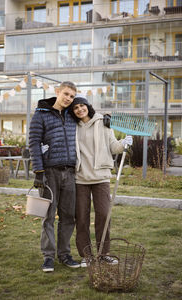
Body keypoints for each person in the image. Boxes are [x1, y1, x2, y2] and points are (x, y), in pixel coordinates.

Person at [69, 96, 133, 267]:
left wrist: (123, 143)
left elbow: (113, 146)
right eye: (75, 108)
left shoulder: (104, 122)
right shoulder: (72, 126)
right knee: (81, 218)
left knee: (104, 215)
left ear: (87, 106)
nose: (79, 110)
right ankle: (86, 256)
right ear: (73, 111)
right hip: (80, 178)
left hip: (101, 177)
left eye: (82, 106)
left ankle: (104, 254)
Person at [29, 81, 81, 272]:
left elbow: (89, 116)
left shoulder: (72, 115)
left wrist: (103, 118)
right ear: (57, 92)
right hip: (49, 172)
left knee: (68, 216)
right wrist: (38, 171)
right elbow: (33, 143)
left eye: (72, 96)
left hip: (70, 172)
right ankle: (48, 257)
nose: (69, 99)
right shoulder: (40, 114)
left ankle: (65, 254)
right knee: (48, 216)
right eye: (66, 94)